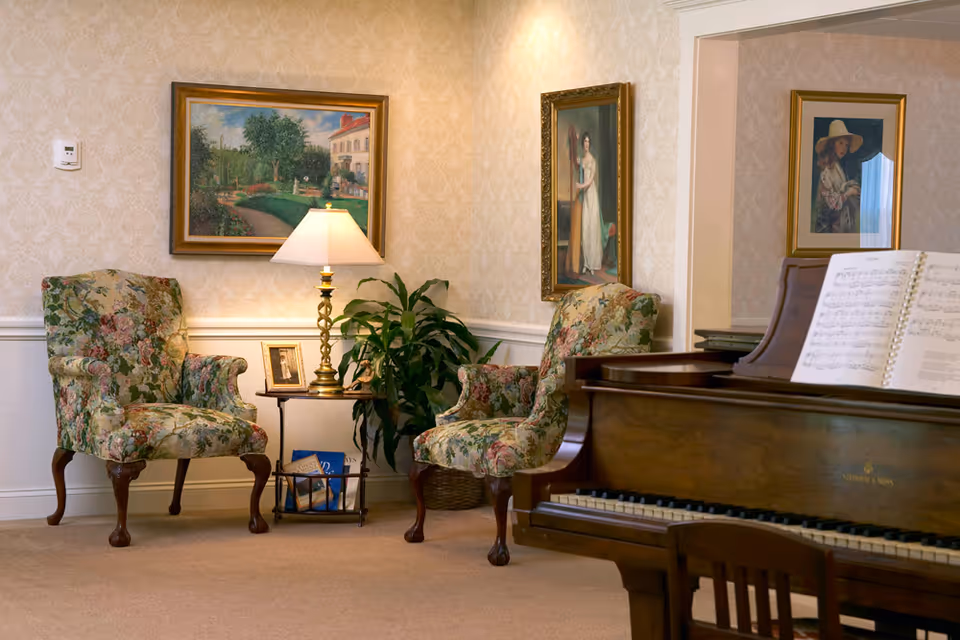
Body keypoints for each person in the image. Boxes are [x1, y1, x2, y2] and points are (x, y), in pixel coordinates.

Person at [813, 120, 862, 234]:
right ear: (832, 144)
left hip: (836, 225)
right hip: (826, 228)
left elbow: (839, 190)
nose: (844, 148)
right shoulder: (826, 170)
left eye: (846, 145)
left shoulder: (837, 167)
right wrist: (849, 192)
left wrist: (850, 186)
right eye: (840, 143)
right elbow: (833, 203)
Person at [576, 132, 604, 274]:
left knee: (592, 229)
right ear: (582, 143)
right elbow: (575, 161)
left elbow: (590, 180)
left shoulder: (593, 161)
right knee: (585, 229)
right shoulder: (581, 160)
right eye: (584, 141)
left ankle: (592, 263)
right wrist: (575, 139)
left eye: (588, 141)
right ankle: (586, 263)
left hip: (591, 196)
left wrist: (580, 186)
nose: (586, 144)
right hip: (584, 198)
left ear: (590, 144)